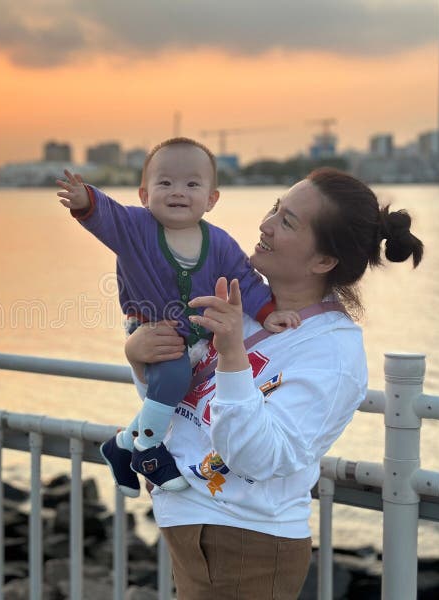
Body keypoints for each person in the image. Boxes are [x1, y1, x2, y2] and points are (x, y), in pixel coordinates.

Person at [124, 168, 423, 599]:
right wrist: (140, 360)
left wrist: (232, 356)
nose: (265, 224)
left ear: (323, 261)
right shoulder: (241, 306)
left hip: (247, 545)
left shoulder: (331, 353)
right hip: (190, 530)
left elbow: (256, 458)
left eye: (288, 222)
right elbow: (179, 408)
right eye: (275, 209)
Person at [56, 137, 298, 495]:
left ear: (212, 198)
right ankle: (149, 450)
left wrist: (266, 313)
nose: (178, 192)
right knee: (173, 374)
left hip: (195, 337)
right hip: (152, 328)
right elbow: (108, 216)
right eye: (165, 183)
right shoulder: (136, 229)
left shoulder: (218, 243)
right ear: (144, 194)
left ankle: (121, 444)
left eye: (192, 184)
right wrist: (86, 201)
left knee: (181, 387)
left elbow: (243, 281)